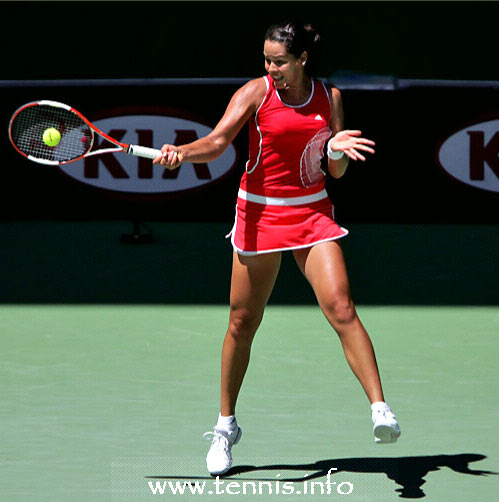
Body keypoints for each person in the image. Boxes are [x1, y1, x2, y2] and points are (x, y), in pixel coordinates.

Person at [153, 21, 401, 476]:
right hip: (260, 215)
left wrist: (338, 150)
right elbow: (218, 141)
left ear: (303, 59)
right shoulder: (256, 92)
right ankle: (226, 428)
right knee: (242, 322)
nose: (271, 68)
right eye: (266, 60)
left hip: (312, 214)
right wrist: (184, 153)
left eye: (280, 61)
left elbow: (336, 171)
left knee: (342, 308)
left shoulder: (331, 98)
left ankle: (380, 409)